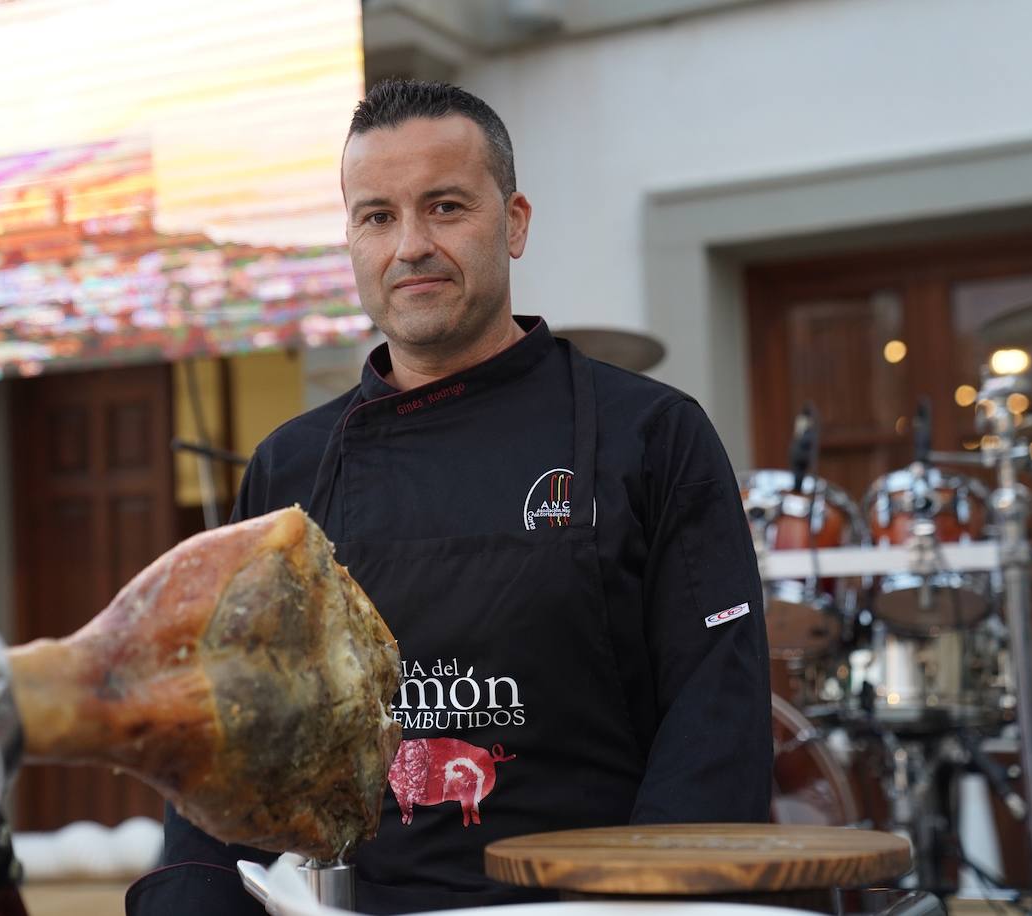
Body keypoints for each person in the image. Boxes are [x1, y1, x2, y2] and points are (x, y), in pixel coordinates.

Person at [126, 78, 770, 916]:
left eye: (446, 206)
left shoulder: (651, 435)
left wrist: (646, 902)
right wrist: (197, 888)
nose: (411, 245)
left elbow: (714, 712)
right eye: (378, 216)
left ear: (516, 222)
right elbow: (234, 729)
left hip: (592, 903)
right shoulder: (289, 467)